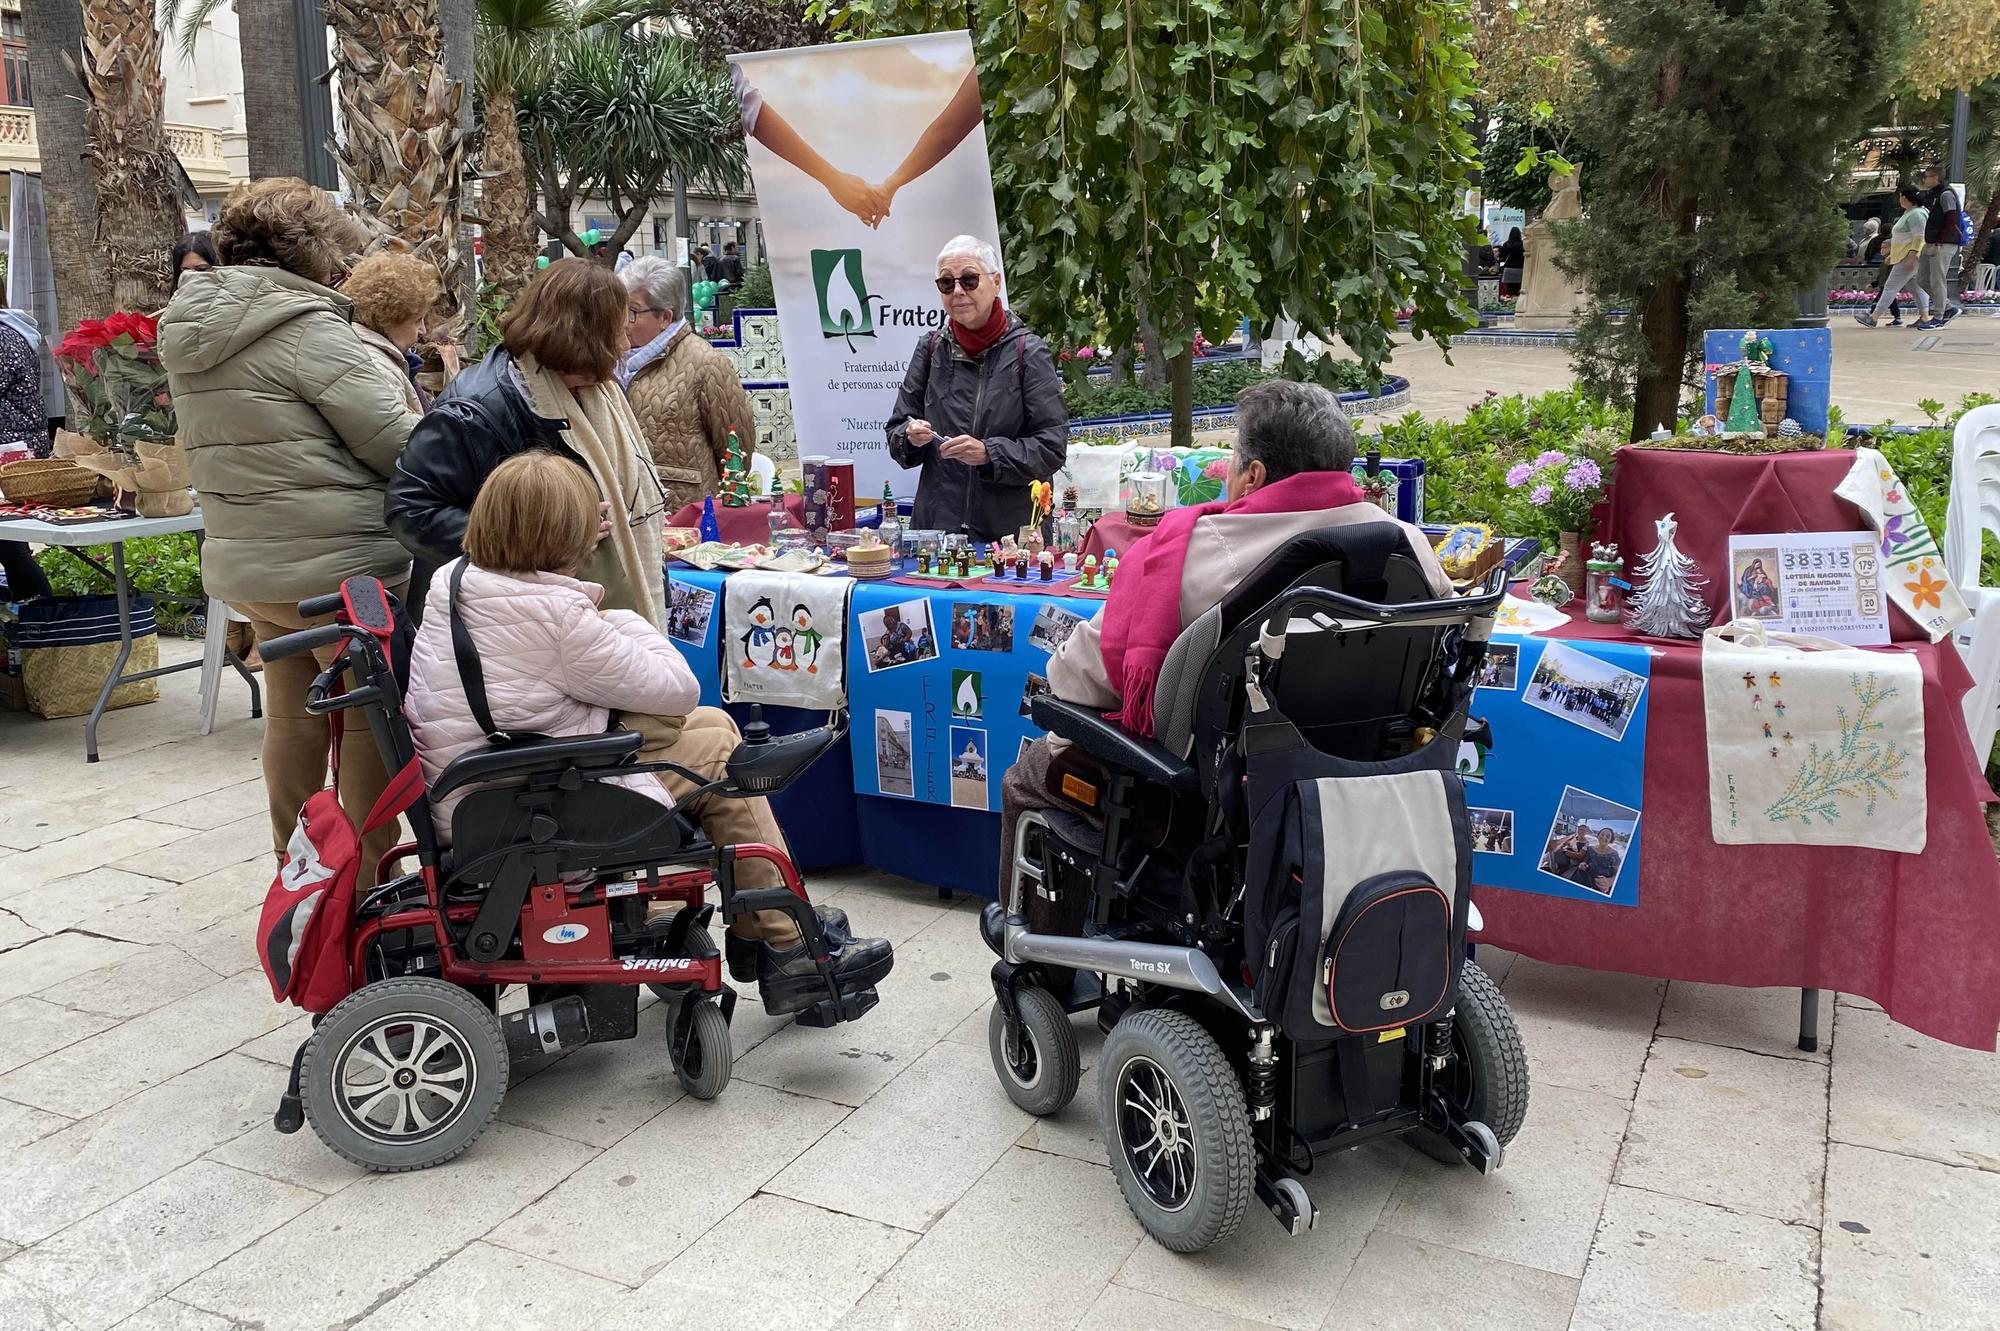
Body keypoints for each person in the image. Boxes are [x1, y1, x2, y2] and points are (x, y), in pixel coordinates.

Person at [403, 451, 892, 1013]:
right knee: (719, 751)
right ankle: (782, 941)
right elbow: (677, 686)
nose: (594, 539)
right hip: (529, 800)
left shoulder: (456, 578)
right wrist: (628, 617)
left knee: (713, 727)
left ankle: (765, 933)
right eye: (585, 525)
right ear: (556, 537)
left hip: (485, 781)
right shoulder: (555, 616)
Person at [998, 380, 1450, 916]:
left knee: (1030, 774)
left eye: (1234, 457)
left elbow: (1079, 678)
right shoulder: (1405, 546)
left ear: (1254, 475)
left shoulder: (1193, 555)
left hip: (1217, 798)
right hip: (1360, 782)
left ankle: (1038, 955)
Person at [159, 177, 421, 875]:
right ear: (311, 251)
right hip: (340, 564)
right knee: (370, 713)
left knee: (292, 716)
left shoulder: (191, 326)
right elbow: (398, 444)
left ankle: (296, 866)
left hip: (255, 564)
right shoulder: (307, 328)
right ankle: (363, 880)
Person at [385, 258, 667, 625]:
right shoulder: (476, 410)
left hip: (570, 615)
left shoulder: (592, 393)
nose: (625, 344)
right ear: (584, 337)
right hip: (499, 625)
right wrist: (536, 535)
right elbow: (409, 511)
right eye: (617, 329)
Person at [885, 235, 1067, 542]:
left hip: (1011, 538)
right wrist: (910, 436)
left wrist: (988, 453)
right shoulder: (930, 349)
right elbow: (896, 432)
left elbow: (1051, 448)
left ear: (996, 282)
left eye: (969, 280)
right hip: (937, 534)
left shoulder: (1028, 352)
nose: (957, 291)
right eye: (946, 283)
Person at [618, 257, 758, 513]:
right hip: (628, 509)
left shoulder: (706, 364)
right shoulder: (616, 359)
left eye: (633, 312)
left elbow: (736, 446)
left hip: (687, 513)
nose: (625, 322)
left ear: (665, 317)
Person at [0, 308, 54, 601]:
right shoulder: (14, 329)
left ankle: (44, 625)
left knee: (11, 549)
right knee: (10, 547)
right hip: (18, 451)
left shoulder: (3, 336)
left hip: (10, 455)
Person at [343, 251, 438, 415]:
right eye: (417, 320)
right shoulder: (379, 370)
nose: (423, 330)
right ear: (388, 319)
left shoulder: (355, 348)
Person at [1855, 187, 1929, 329]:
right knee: (1915, 287)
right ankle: (1925, 317)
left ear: (1906, 198)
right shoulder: (1912, 213)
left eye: (1901, 196)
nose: (1899, 199)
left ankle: (1874, 317)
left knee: (1890, 287)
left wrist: (1912, 255)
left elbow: (1919, 237)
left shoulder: (1916, 214)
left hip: (1907, 256)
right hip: (1904, 255)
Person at [1917, 166, 1963, 329]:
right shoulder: (1934, 195)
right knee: (1922, 279)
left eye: (1927, 176)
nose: (1925, 179)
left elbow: (1952, 219)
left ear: (1936, 177)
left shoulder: (1946, 194)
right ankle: (1948, 307)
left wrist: (1941, 240)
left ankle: (1939, 316)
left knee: (1937, 280)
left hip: (1943, 243)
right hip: (1931, 242)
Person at [1497, 226, 1525, 299]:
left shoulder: (1506, 244)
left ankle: (1509, 302)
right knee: (1518, 289)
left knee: (1509, 290)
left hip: (1508, 269)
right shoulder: (1522, 244)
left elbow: (1503, 256)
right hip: (1520, 269)